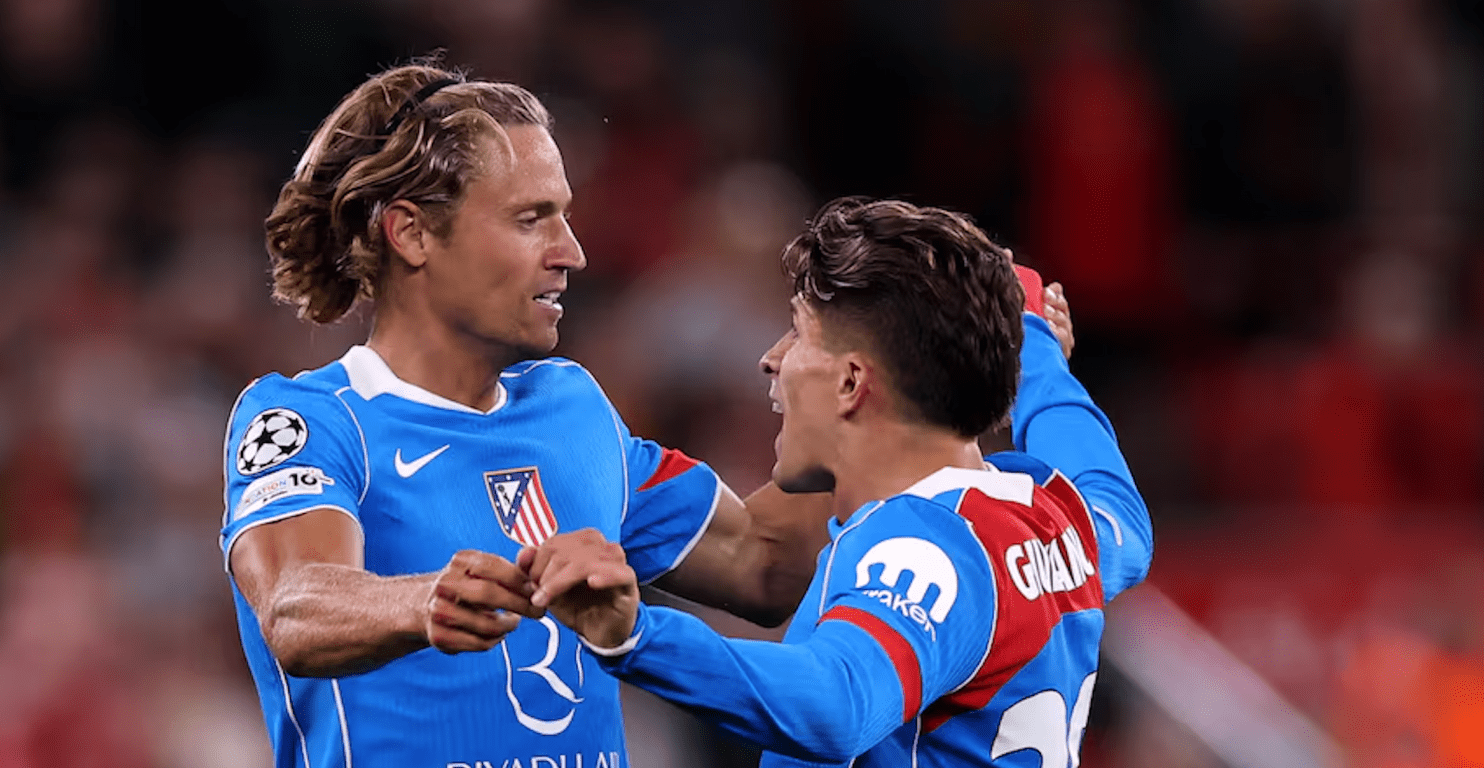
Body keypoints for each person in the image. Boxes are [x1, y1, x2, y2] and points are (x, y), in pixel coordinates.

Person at [220, 60, 838, 767]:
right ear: (412, 233)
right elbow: (294, 607)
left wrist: (888, 403)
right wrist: (424, 602)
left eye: (564, 216)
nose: (571, 252)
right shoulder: (309, 420)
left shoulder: (571, 410)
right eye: (529, 219)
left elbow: (764, 563)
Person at [522, 197, 1153, 767]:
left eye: (798, 331)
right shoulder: (1059, 519)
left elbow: (839, 700)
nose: (771, 358)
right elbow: (1115, 504)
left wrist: (636, 635)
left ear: (852, 382)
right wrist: (1033, 344)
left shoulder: (924, 546)